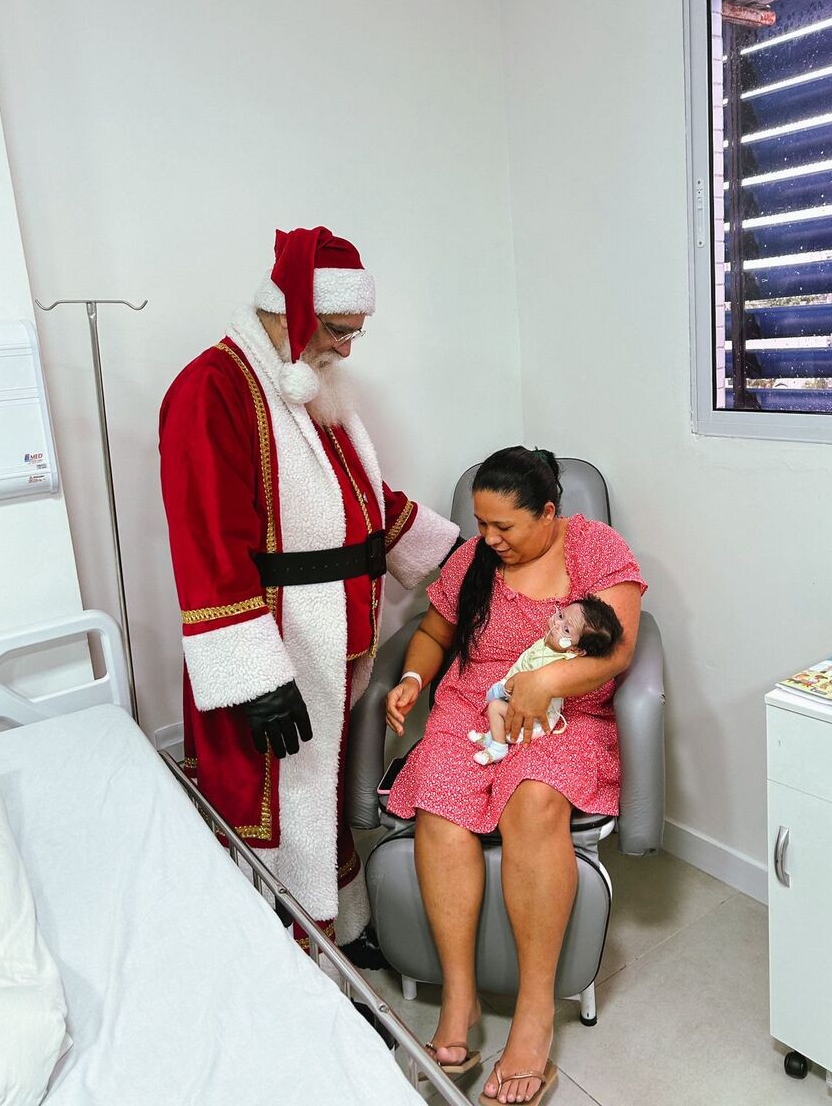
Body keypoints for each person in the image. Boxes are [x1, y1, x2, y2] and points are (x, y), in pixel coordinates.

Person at [159, 226, 459, 965]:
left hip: (330, 643)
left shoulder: (308, 381)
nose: (348, 350)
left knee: (316, 796)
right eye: (339, 330)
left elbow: (363, 499)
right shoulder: (213, 388)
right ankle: (280, 961)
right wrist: (256, 678)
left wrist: (454, 554)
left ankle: (338, 928)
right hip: (272, 652)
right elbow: (206, 542)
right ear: (293, 309)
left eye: (357, 332)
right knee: (272, 806)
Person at [384, 447, 646, 1106]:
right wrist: (413, 677)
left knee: (534, 800)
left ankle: (533, 1018)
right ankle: (460, 1000)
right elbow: (435, 634)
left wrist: (545, 682)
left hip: (565, 715)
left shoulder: (595, 549)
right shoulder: (474, 559)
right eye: (481, 523)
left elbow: (617, 648)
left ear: (549, 512)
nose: (489, 538)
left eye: (504, 526)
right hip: (471, 708)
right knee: (440, 802)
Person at [469, 595, 623, 765]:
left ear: (576, 650)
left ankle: (499, 747)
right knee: (497, 703)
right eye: (561, 615)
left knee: (495, 706)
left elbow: (528, 686)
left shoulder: (559, 662)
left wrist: (502, 689)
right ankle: (492, 736)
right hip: (520, 698)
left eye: (566, 629)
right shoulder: (549, 644)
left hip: (536, 717)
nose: (557, 623)